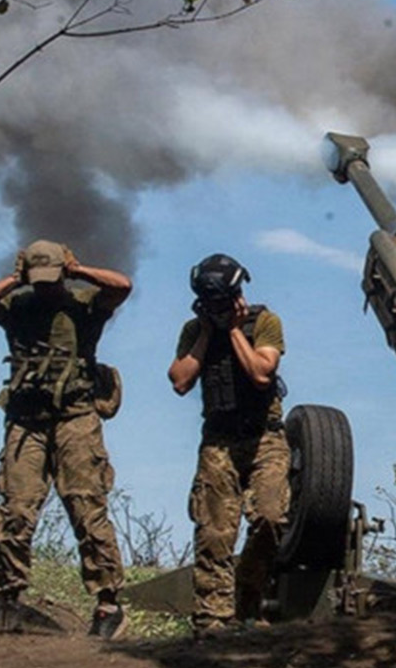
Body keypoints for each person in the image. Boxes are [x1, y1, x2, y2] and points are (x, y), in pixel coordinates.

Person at [0, 239, 131, 640]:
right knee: (15, 512)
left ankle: (109, 605)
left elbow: (122, 286)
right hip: (26, 421)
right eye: (38, 280)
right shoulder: (16, 305)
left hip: (76, 418)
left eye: (51, 279)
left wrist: (79, 270)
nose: (45, 287)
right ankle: (9, 602)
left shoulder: (85, 303)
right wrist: (13, 280)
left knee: (87, 509)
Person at [168, 254, 289, 635]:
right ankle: (212, 619)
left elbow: (259, 372)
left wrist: (235, 330)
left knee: (270, 517)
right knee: (214, 532)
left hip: (264, 437)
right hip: (219, 440)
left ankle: (247, 599)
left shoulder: (264, 323)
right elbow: (180, 380)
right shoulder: (194, 330)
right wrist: (206, 333)